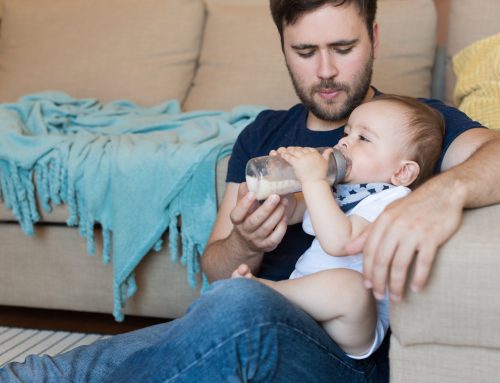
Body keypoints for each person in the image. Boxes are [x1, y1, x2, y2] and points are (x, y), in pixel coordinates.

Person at [1, 0, 499, 382]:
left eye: (343, 49)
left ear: (372, 37)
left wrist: (444, 192)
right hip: (241, 315)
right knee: (71, 367)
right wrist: (246, 241)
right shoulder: (263, 135)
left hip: (337, 352)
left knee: (236, 309)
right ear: (282, 45)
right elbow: (216, 270)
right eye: (305, 51)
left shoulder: (414, 123)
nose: (325, 71)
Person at [231, 94, 445, 360]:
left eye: (363, 138)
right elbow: (295, 211)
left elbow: (340, 242)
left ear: (402, 173)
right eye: (347, 133)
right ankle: (272, 302)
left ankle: (268, 292)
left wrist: (314, 181)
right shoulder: (338, 189)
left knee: (350, 288)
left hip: (352, 325)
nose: (344, 141)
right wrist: (283, 185)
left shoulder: (391, 199)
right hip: (308, 314)